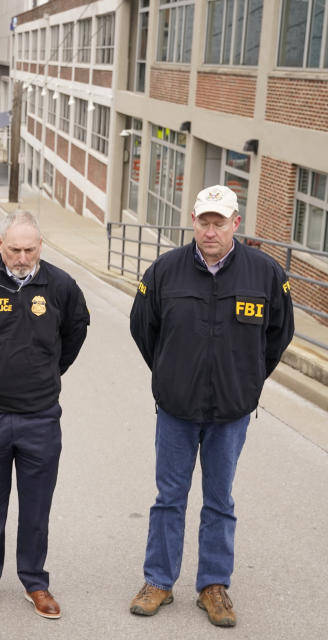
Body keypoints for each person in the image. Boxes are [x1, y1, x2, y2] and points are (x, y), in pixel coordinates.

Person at [128, 185, 294, 627]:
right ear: (193, 221)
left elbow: (278, 335)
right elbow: (144, 330)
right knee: (169, 498)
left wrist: (248, 381)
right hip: (177, 410)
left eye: (220, 222)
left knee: (220, 500)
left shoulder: (265, 273)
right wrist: (170, 373)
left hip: (231, 413)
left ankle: (213, 586)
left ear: (236, 224)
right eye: (204, 221)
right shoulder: (164, 270)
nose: (211, 230)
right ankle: (159, 582)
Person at [0, 210, 89, 619]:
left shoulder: (61, 286)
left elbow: (75, 332)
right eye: (14, 249)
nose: (22, 258)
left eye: (29, 249)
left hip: (40, 416)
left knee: (36, 507)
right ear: (0, 245)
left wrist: (49, 370)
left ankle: (35, 582)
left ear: (40, 246)